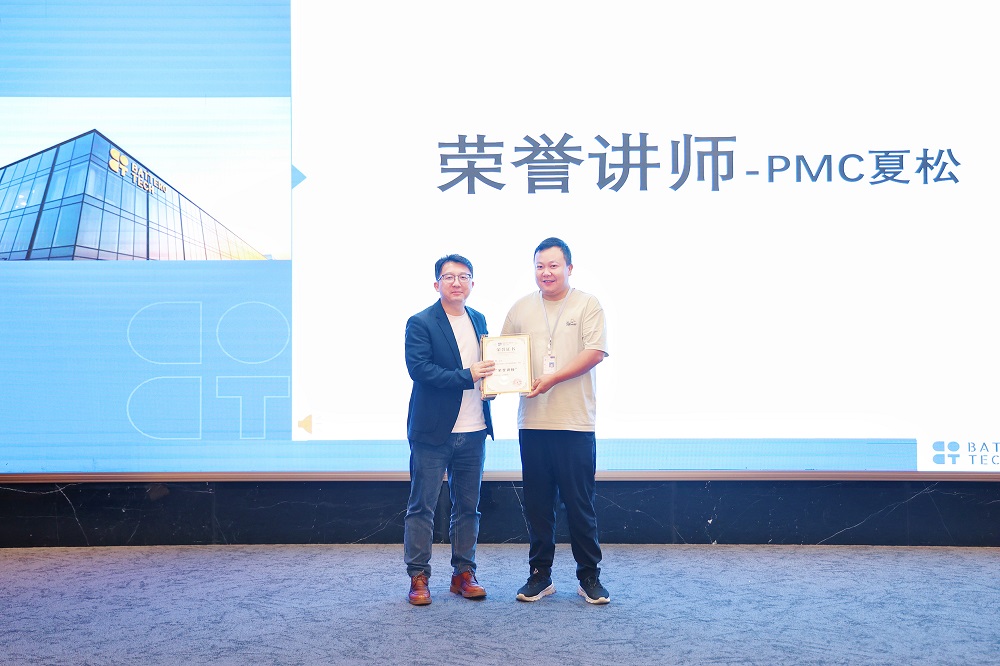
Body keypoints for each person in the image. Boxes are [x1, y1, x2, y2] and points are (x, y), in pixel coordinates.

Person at [501, 237, 610, 604]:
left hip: (575, 423)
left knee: (580, 505)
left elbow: (595, 353)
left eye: (553, 266)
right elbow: (504, 358)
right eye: (539, 266)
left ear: (569, 268)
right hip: (533, 423)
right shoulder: (520, 308)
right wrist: (494, 382)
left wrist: (552, 379)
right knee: (537, 505)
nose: (546, 273)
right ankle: (540, 575)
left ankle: (589, 576)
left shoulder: (587, 304)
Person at [403, 254, 495, 605]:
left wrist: (493, 383)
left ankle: (463, 573)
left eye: (464, 276)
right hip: (432, 432)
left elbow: (486, 366)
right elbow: (420, 369)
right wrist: (468, 376)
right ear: (436, 284)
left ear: (472, 283)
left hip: (474, 429)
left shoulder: (478, 318)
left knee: (468, 508)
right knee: (422, 507)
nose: (457, 282)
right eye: (449, 277)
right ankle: (419, 577)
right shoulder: (421, 322)